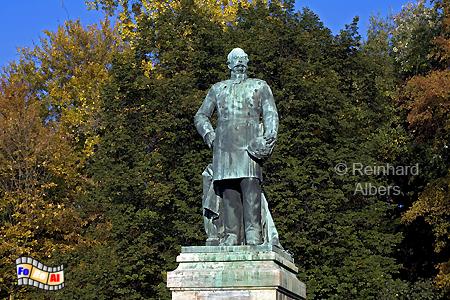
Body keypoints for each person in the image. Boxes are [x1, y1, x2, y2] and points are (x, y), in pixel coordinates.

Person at [194, 48, 279, 246]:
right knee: (229, 191)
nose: (239, 62)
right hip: (224, 147)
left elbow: (270, 114)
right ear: (229, 64)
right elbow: (201, 115)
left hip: (250, 145)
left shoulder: (259, 86)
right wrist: (209, 134)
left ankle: (253, 234)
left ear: (247, 62)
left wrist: (269, 138)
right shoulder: (217, 88)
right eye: (235, 59)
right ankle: (231, 235)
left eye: (242, 59)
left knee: (251, 190)